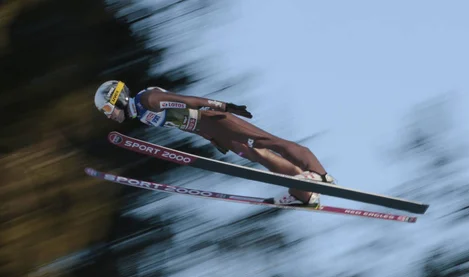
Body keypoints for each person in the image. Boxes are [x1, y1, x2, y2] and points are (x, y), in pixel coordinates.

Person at [94, 80, 335, 206]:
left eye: (107, 108)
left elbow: (187, 101)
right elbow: (183, 122)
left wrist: (224, 107)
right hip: (213, 130)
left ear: (119, 98)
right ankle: (304, 194)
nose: (108, 115)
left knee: (268, 142)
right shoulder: (143, 114)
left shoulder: (147, 100)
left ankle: (319, 175)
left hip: (217, 120)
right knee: (259, 155)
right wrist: (211, 139)